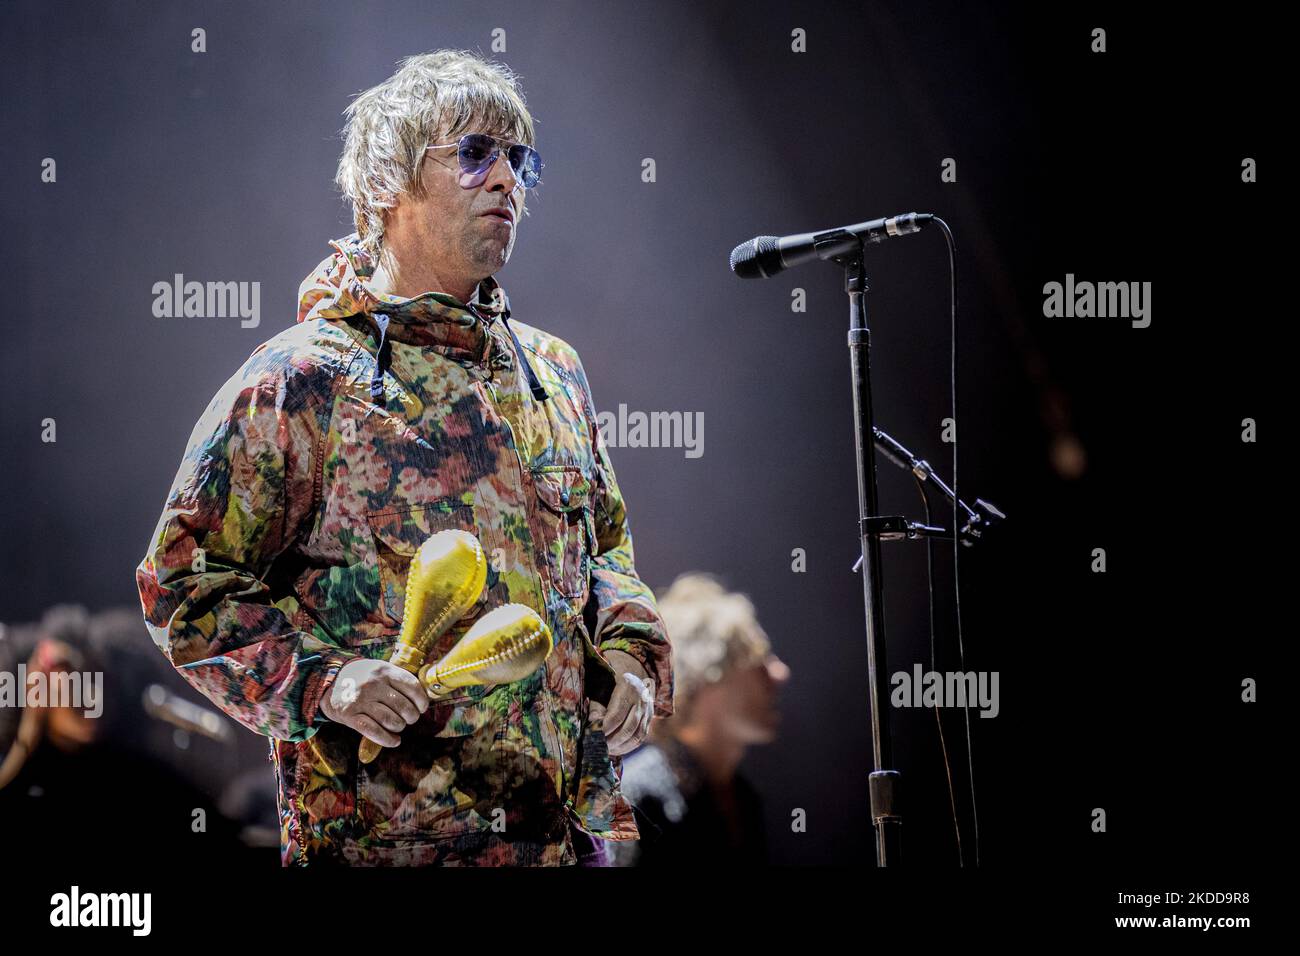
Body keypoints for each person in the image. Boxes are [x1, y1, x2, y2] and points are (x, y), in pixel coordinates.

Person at [135, 50, 672, 866]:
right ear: (388, 182)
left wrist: (631, 655)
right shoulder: (303, 378)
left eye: (520, 161)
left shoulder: (554, 372)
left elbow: (607, 552)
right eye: (474, 153)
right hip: (388, 846)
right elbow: (183, 582)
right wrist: (324, 680)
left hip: (560, 843)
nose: (507, 182)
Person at [612, 574, 789, 866]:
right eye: (759, 658)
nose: (780, 673)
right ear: (704, 677)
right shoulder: (636, 802)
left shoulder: (744, 798)